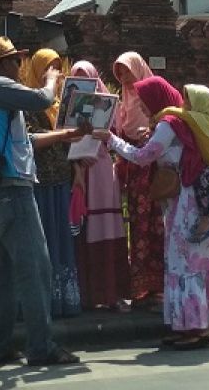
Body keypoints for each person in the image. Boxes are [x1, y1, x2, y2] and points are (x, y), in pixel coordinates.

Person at [94, 76, 209, 350]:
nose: (143, 107)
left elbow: (142, 156)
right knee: (196, 264)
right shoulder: (179, 122)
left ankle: (194, 328)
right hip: (196, 200)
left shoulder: (168, 124)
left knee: (184, 264)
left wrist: (111, 140)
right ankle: (198, 325)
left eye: (144, 101)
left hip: (186, 203)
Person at [0, 36, 87, 367]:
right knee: (36, 266)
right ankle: (41, 346)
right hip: (9, 187)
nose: (20, 67)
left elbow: (26, 140)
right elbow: (42, 98)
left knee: (2, 271)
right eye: (17, 61)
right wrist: (51, 79)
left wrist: (65, 135)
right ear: (5, 64)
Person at [65, 61, 131, 310]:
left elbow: (116, 134)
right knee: (84, 227)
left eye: (87, 79)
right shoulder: (66, 106)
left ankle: (112, 293)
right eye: (77, 79)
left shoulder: (107, 104)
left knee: (106, 225)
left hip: (101, 169)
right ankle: (88, 294)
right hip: (79, 169)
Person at [21, 48, 81, 318]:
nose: (54, 73)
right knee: (43, 241)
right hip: (41, 180)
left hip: (62, 179)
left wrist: (77, 167)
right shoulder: (29, 104)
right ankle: (42, 302)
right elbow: (30, 140)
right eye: (49, 67)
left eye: (57, 66)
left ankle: (64, 301)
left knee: (61, 239)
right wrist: (61, 135)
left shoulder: (61, 103)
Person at [112, 51, 164, 307]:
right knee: (139, 224)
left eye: (127, 70)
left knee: (156, 224)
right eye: (119, 72)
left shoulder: (153, 96)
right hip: (134, 172)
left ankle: (160, 284)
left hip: (153, 171)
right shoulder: (124, 103)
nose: (124, 77)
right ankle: (143, 285)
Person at [172, 84, 209, 244]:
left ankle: (205, 220)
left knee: (203, 181)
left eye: (189, 99)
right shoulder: (204, 119)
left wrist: (157, 116)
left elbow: (174, 112)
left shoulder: (201, 119)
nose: (184, 102)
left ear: (200, 102)